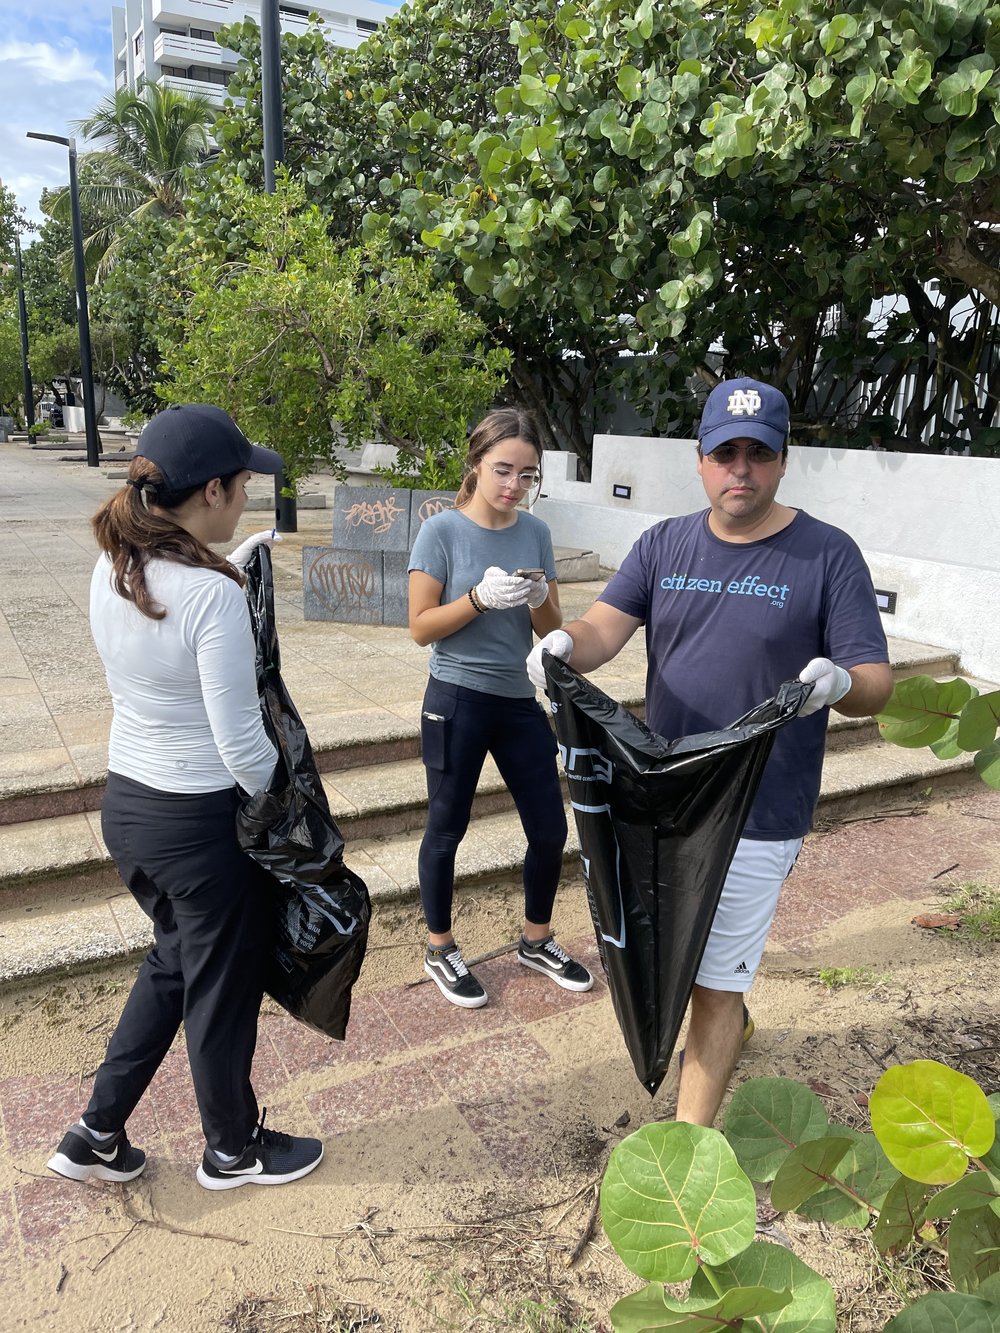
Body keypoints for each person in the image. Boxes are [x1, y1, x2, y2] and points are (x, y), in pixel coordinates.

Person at [527, 378, 893, 1126]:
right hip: (672, 797)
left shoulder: (827, 555)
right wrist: (561, 646)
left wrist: (838, 684)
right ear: (700, 461)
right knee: (688, 951)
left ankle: (690, 1151)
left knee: (709, 987)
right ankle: (735, 1015)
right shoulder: (665, 543)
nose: (741, 469)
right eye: (725, 452)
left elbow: (878, 684)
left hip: (763, 807)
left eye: (758, 454)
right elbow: (602, 628)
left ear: (783, 462)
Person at [47, 403, 324, 1191]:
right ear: (211, 492)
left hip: (130, 808)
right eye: (243, 485)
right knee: (220, 982)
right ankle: (232, 1148)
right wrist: (286, 804)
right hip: (199, 825)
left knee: (174, 962)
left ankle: (96, 1130)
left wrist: (224, 562)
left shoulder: (114, 563)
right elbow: (241, 741)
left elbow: (167, 621)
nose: (249, 496)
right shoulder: (211, 596)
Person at [407, 408, 594, 1008]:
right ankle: (440, 947)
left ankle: (535, 939)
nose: (513, 486)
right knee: (446, 829)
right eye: (503, 471)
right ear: (477, 464)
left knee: (549, 827)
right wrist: (478, 599)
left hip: (517, 699)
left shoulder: (534, 533)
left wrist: (540, 596)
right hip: (456, 698)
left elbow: (551, 624)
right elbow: (420, 627)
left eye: (527, 475)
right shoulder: (441, 531)